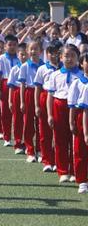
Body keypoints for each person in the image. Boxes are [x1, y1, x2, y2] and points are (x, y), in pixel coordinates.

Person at [47, 44, 84, 183]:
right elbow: (50, 95)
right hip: (59, 106)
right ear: (61, 58)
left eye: (73, 56)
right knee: (60, 139)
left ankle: (75, 170)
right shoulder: (55, 75)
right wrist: (50, 114)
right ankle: (63, 171)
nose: (69, 59)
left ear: (78, 58)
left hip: (76, 109)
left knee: (75, 140)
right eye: (66, 56)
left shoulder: (81, 75)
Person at [34, 40, 62, 172]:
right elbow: (37, 88)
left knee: (59, 132)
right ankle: (47, 160)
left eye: (57, 53)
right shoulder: (42, 68)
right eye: (51, 53)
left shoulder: (63, 68)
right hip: (45, 98)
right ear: (47, 53)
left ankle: (58, 160)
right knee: (44, 131)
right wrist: (37, 106)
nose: (54, 55)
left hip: (59, 99)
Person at [19, 41, 44, 163]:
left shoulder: (44, 66)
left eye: (36, 49)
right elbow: (22, 85)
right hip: (29, 93)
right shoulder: (24, 66)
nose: (33, 52)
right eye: (31, 49)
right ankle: (30, 150)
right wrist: (22, 101)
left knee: (41, 123)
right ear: (28, 51)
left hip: (41, 94)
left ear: (41, 51)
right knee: (28, 123)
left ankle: (40, 150)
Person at [0, 34, 20, 147]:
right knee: (5, 113)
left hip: (17, 86)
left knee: (18, 113)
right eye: (10, 45)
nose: (12, 47)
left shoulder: (20, 58)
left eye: (14, 45)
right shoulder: (1, 58)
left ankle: (18, 138)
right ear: (5, 46)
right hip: (5, 85)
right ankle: (7, 137)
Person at [68, 52, 88, 193]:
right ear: (81, 64)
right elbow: (72, 104)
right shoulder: (77, 82)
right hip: (81, 116)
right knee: (80, 148)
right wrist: (71, 122)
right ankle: (82, 180)